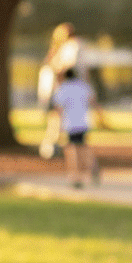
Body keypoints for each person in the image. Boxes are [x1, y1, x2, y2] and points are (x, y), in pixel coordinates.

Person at [51, 67, 104, 188]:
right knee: (84, 147)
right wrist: (101, 117)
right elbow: (93, 102)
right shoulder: (83, 86)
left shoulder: (63, 89)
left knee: (73, 149)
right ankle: (93, 168)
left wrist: (58, 128)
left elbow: (58, 109)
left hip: (70, 123)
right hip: (83, 122)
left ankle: (76, 176)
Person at [37, 22, 82, 158]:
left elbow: (67, 67)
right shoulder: (59, 48)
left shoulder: (73, 46)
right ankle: (51, 144)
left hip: (63, 87)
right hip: (55, 87)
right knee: (55, 117)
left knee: (59, 117)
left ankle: (53, 145)